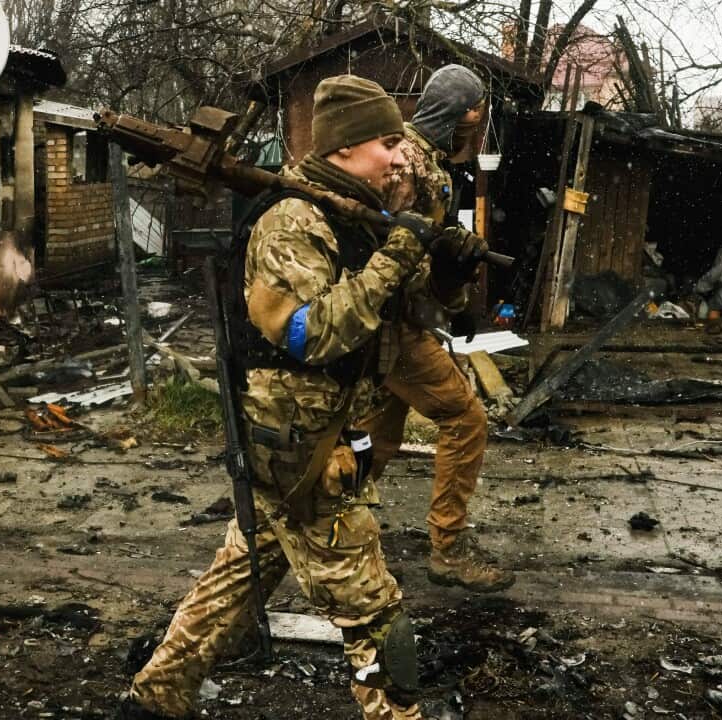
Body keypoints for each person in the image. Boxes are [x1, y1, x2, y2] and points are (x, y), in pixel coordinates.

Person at [119, 75, 435, 720]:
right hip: (297, 446)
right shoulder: (292, 221)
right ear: (344, 149)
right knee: (371, 609)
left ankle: (156, 697)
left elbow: (410, 307)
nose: (399, 154)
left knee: (246, 567)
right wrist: (391, 263)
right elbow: (309, 334)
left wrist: (433, 257)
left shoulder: (357, 216)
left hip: (319, 432)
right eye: (386, 142)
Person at [356, 64, 516, 593]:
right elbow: (386, 247)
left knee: (378, 437)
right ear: (457, 117)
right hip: (396, 324)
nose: (474, 129)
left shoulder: (413, 157)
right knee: (466, 419)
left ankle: (336, 532)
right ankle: (448, 549)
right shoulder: (413, 166)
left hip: (391, 320)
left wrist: (453, 275)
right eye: (472, 117)